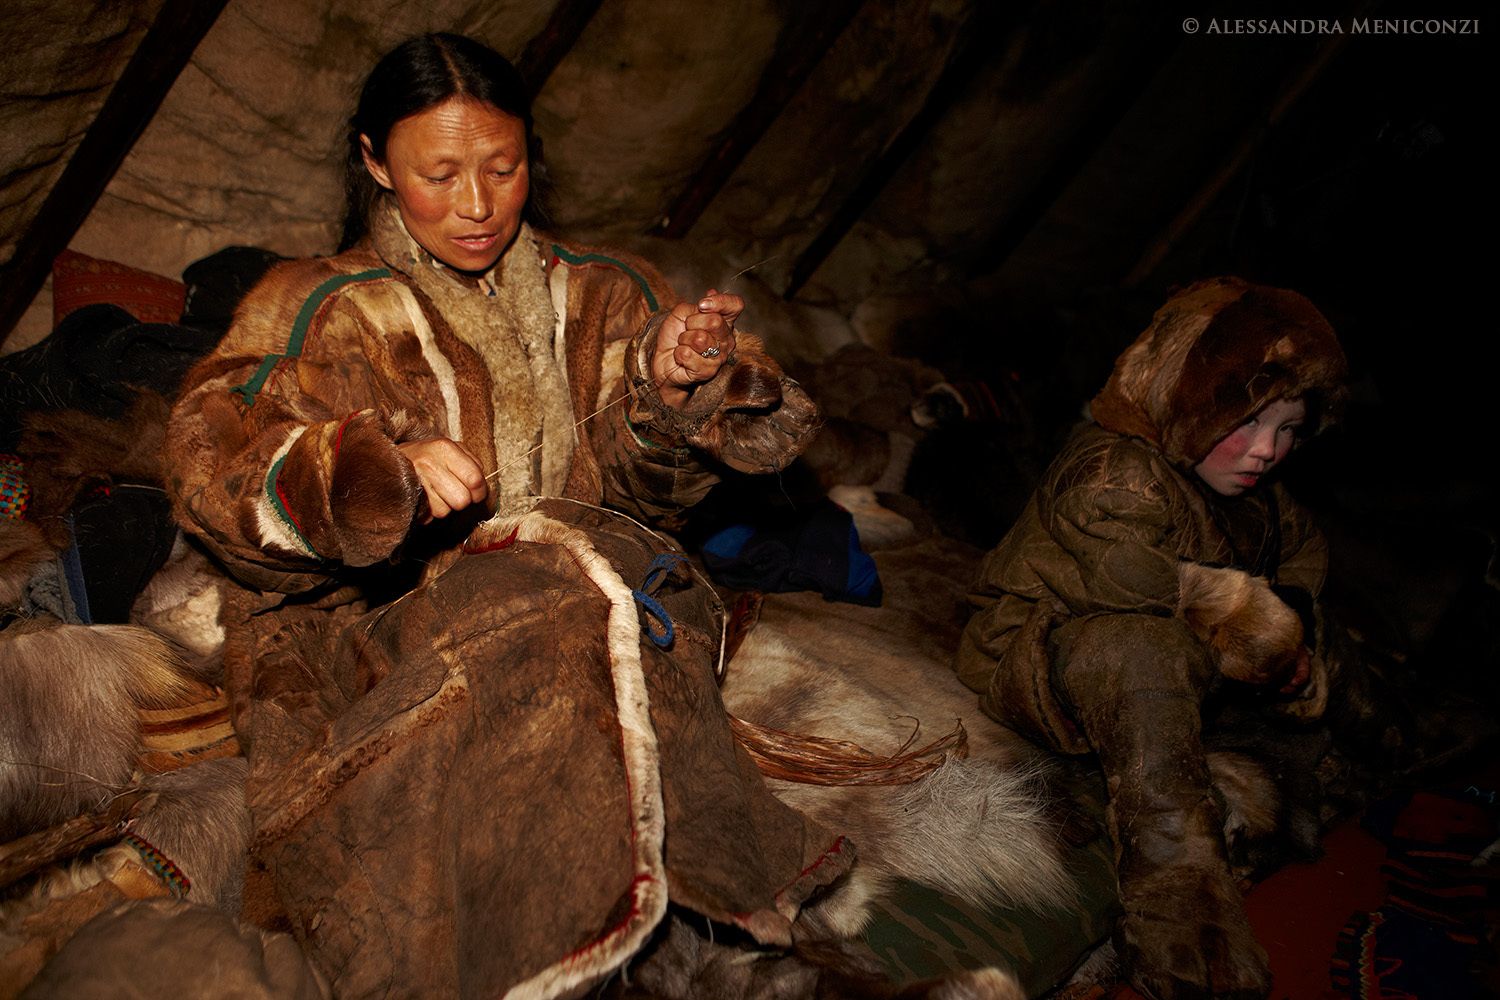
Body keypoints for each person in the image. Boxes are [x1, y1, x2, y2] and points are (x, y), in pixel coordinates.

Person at [165, 33, 836, 998]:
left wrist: (675, 386)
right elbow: (212, 459)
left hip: (579, 595)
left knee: (602, 606)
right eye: (438, 174)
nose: (477, 205)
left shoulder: (603, 293)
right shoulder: (318, 307)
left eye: (503, 167)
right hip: (373, 629)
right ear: (374, 164)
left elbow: (650, 503)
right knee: (543, 629)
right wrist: (369, 473)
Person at [954, 277, 1348, 1000]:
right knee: (1138, 645)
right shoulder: (1113, 471)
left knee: (1343, 685)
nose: (1266, 450)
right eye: (1248, 420)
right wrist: (1245, 617)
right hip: (1039, 658)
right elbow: (1127, 587)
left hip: (1188, 668)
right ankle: (1177, 896)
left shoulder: (1260, 499)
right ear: (1192, 397)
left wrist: (1296, 642)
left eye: (1289, 429)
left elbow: (1303, 559)